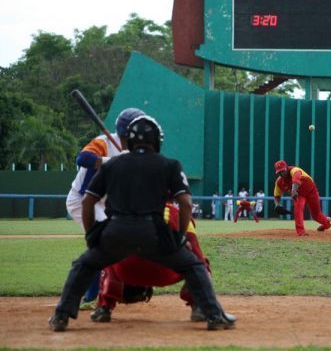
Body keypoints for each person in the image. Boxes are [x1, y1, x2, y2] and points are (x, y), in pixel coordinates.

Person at [48, 115, 235, 332]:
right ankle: (214, 315)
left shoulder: (112, 164)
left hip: (115, 233)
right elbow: (185, 203)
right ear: (157, 140)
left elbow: (88, 200)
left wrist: (92, 235)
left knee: (84, 265)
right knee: (193, 265)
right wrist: (179, 237)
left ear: (127, 140)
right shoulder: (169, 165)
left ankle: (61, 316)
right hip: (153, 234)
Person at [65, 107, 145, 309]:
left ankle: (122, 289)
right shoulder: (103, 142)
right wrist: (113, 160)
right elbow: (82, 159)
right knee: (102, 247)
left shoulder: (136, 151)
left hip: (107, 204)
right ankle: (91, 296)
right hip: (83, 201)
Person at [90, 201, 214, 323]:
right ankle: (199, 306)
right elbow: (197, 254)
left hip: (127, 273)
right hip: (164, 274)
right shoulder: (176, 212)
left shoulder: (122, 210)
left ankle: (104, 307)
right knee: (201, 263)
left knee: (108, 257)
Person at [273, 160, 331, 236]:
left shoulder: (294, 170)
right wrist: (277, 205)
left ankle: (326, 223)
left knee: (316, 215)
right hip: (299, 195)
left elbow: (296, 178)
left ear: (286, 168)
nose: (281, 174)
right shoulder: (279, 182)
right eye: (279, 172)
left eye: (282, 171)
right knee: (298, 209)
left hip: (311, 191)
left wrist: (293, 190)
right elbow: (277, 195)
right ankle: (301, 231)